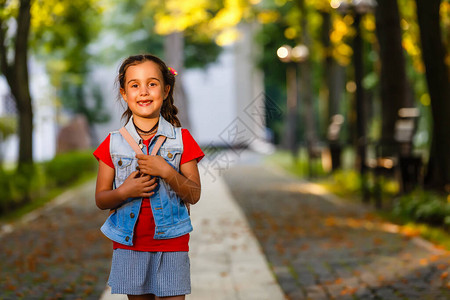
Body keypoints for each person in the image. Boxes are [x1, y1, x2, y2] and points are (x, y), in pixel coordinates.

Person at [93, 54, 204, 300]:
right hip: (129, 244)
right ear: (124, 93)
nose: (143, 91)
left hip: (172, 242)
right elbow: (101, 199)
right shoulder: (111, 144)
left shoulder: (182, 139)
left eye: (152, 84)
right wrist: (124, 192)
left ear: (165, 90)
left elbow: (194, 194)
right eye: (135, 85)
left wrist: (167, 171)